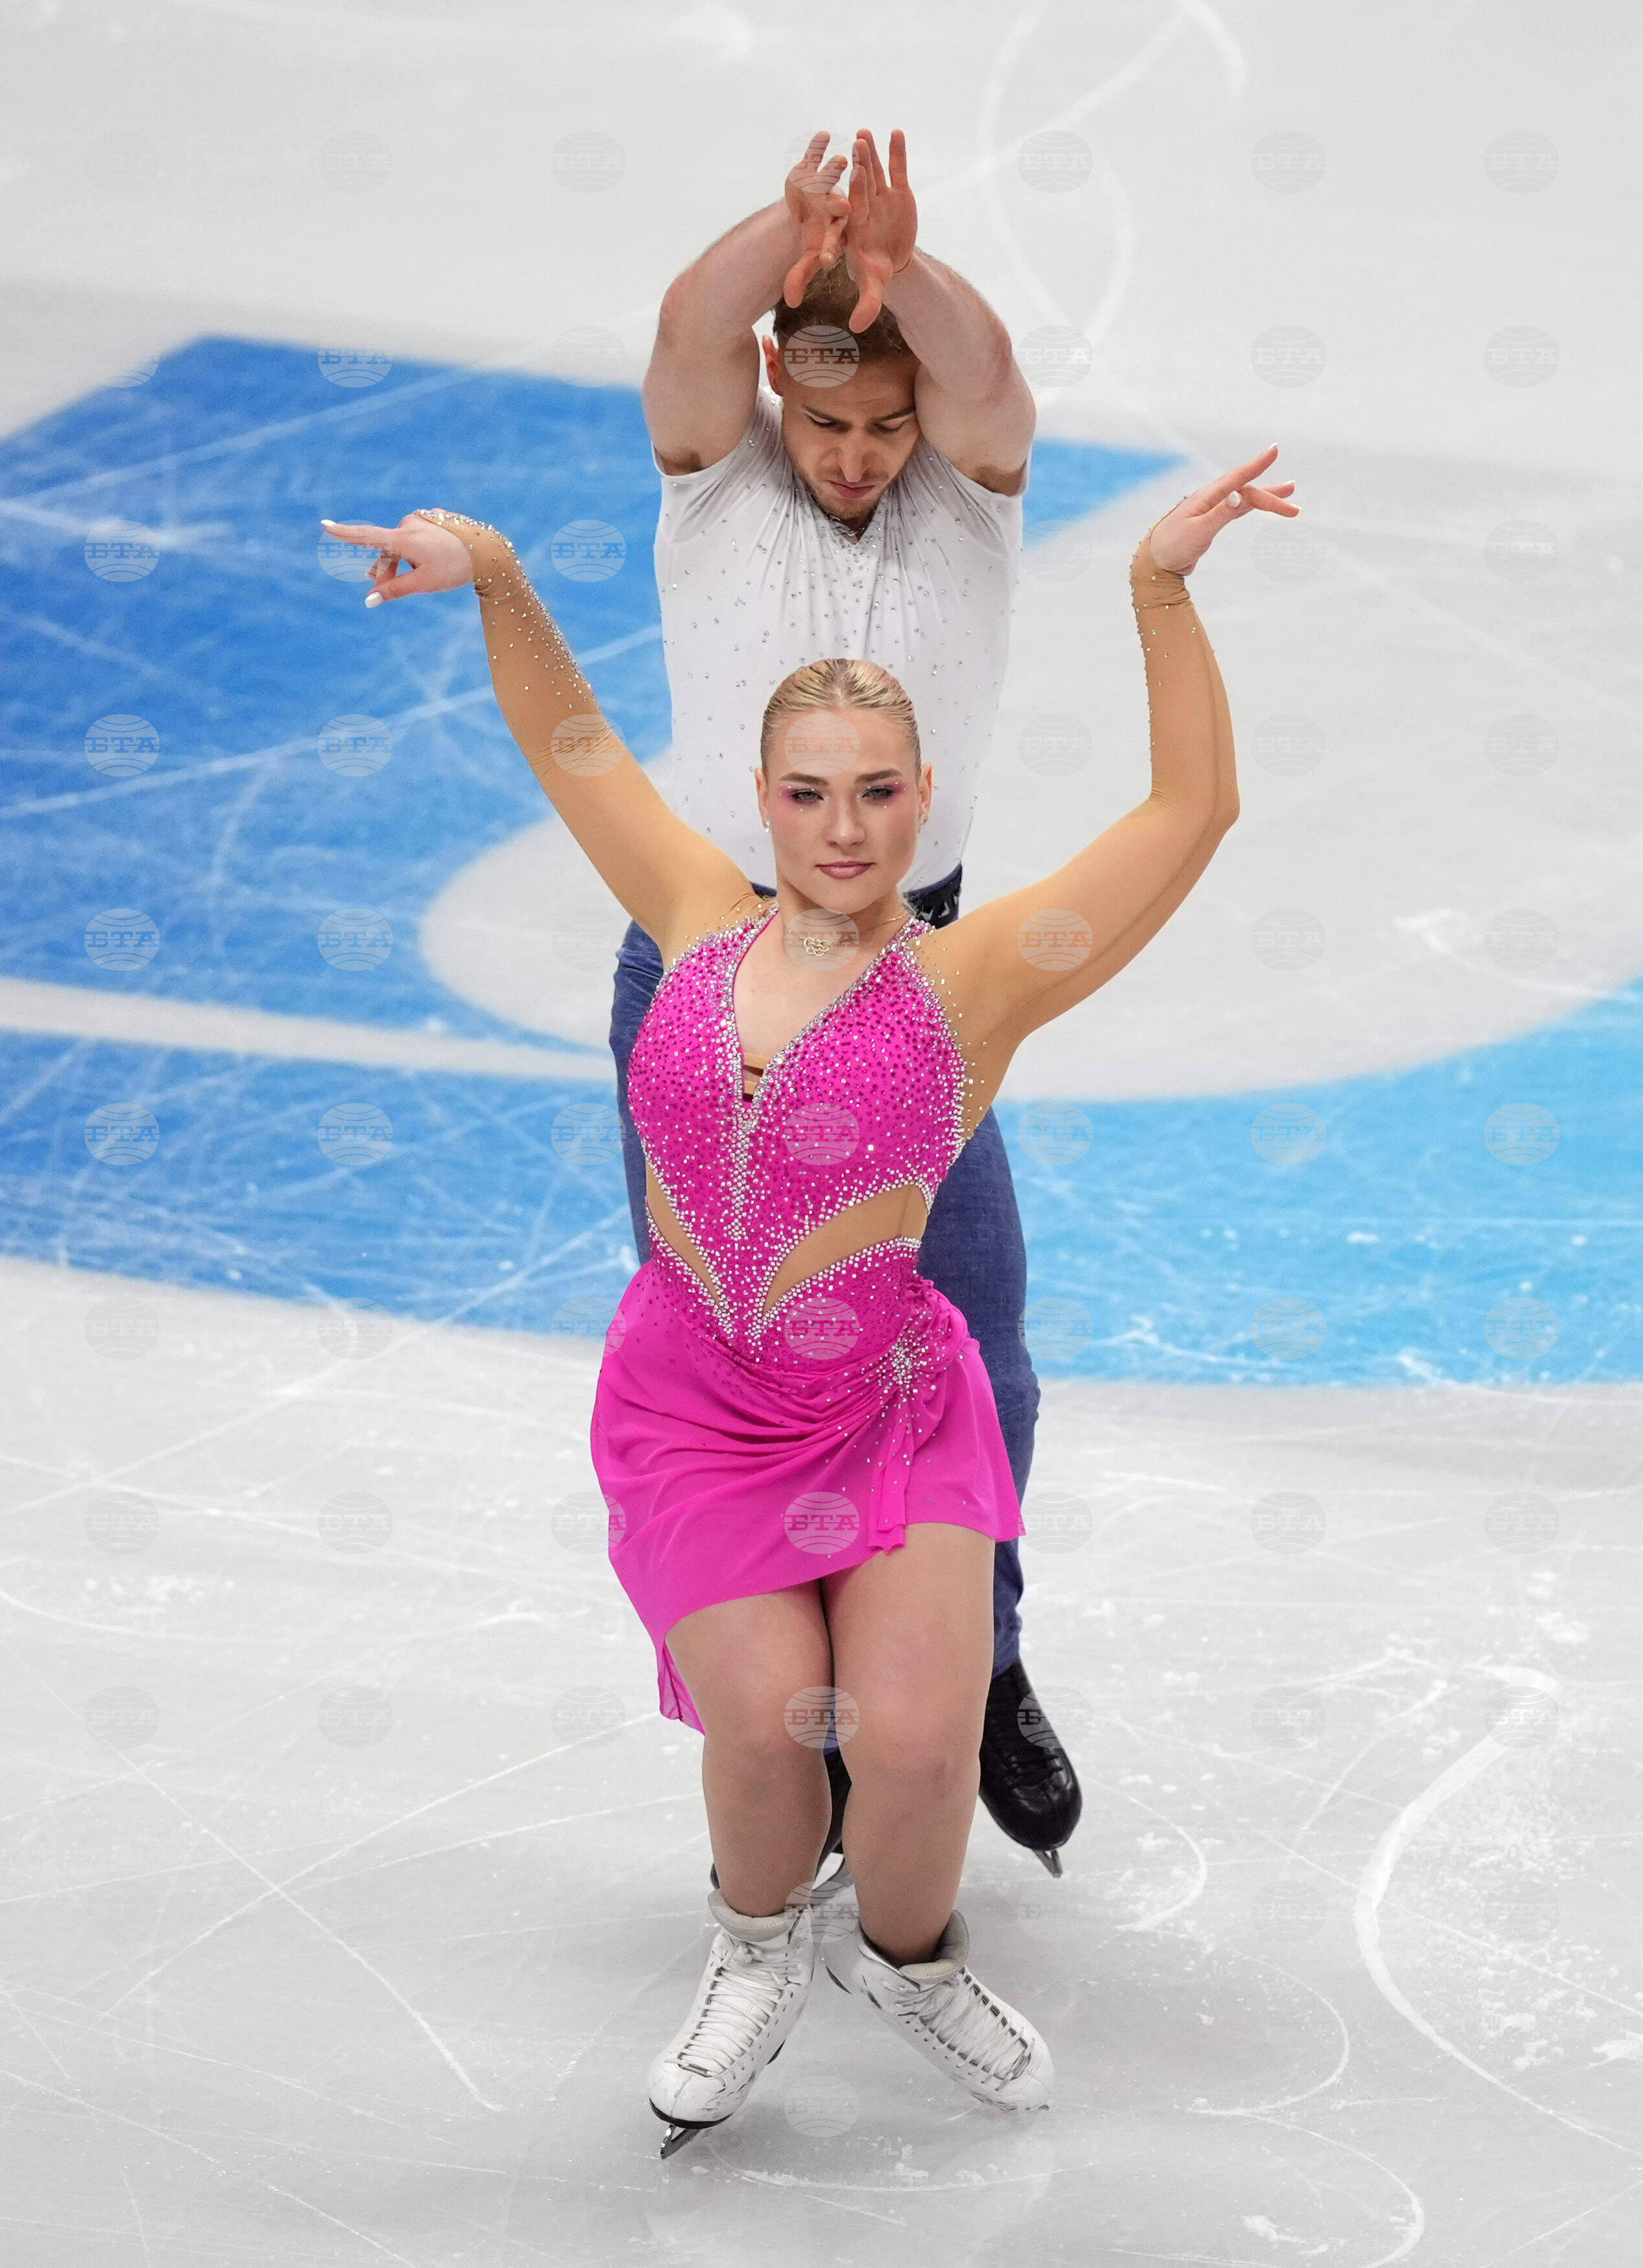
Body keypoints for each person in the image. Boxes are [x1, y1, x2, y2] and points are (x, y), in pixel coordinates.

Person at [320, 438, 1298, 2153]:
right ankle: (758, 1942)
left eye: (875, 792)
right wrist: (498, 573)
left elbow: (1189, 815)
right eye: (808, 792)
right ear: (760, 801)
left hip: (889, 1409)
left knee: (917, 1751)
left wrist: (1157, 589)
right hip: (700, 1412)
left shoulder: (973, 985)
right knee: (777, 1739)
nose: (843, 828)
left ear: (923, 800)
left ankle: (910, 1958)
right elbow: (571, 741)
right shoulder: (692, 919)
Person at [621, 127, 1079, 1871]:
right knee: (725, 1352)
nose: (856, 456)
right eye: (826, 421)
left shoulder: (970, 495)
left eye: (884, 423)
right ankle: (778, 1730)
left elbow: (989, 380)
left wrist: (913, 260)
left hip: (909, 981)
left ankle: (985, 1666)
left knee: (969, 1330)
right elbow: (684, 328)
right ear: (774, 392)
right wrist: (795, 233)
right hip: (707, 975)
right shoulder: (712, 477)